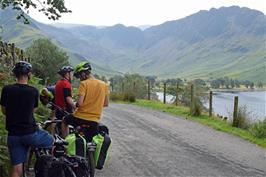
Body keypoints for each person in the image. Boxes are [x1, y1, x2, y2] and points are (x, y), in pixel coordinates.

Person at [0, 61, 53, 177]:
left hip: (13, 135)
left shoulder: (6, 89)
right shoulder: (33, 91)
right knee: (52, 141)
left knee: (16, 169)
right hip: (31, 134)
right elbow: (32, 111)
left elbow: (4, 111)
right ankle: (50, 167)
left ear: (15, 74)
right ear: (29, 74)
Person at [61, 61, 109, 141]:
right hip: (94, 120)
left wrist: (75, 104)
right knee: (90, 142)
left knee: (64, 121)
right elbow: (106, 103)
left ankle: (65, 143)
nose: (80, 79)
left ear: (83, 74)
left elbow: (79, 103)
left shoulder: (84, 84)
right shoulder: (104, 85)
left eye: (79, 76)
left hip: (80, 117)